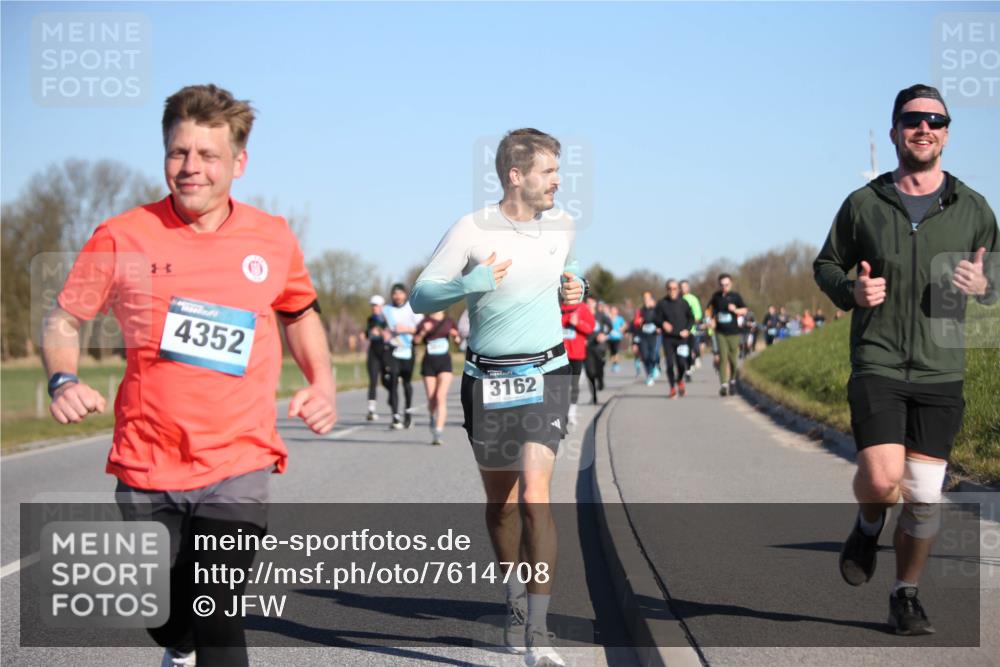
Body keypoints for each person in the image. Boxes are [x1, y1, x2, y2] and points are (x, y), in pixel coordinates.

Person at [42, 84, 337, 667]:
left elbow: (300, 311)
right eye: (179, 153)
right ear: (164, 155)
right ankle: (176, 642)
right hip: (147, 460)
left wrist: (322, 382)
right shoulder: (122, 236)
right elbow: (64, 318)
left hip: (239, 461)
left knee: (219, 612)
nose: (191, 168)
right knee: (165, 616)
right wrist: (62, 379)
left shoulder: (271, 237)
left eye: (207, 155)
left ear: (238, 162)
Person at [814, 84, 998, 636]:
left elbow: (998, 276)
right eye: (913, 120)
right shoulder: (863, 203)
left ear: (946, 133)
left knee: (922, 497)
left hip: (943, 367)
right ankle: (868, 524)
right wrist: (851, 292)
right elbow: (826, 265)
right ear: (896, 131)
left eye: (935, 120)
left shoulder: (973, 208)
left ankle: (905, 595)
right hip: (879, 359)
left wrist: (986, 284)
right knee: (881, 478)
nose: (925, 128)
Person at [409, 128, 586, 667]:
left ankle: (539, 628)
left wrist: (574, 287)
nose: (559, 181)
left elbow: (559, 274)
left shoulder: (562, 225)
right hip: (487, 379)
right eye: (549, 172)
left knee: (536, 496)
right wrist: (474, 280)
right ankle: (512, 601)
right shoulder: (470, 229)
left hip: (546, 373)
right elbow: (421, 295)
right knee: (502, 505)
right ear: (516, 175)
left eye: (559, 171)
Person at [414, 310, 461, 445]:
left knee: (441, 397)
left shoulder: (449, 321)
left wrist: (455, 337)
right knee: (432, 399)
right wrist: (423, 331)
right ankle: (432, 417)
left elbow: (458, 342)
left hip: (444, 362)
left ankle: (438, 432)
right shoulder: (424, 321)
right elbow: (416, 341)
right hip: (429, 363)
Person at [384, 283, 421, 429]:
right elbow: (379, 326)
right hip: (393, 350)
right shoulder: (386, 310)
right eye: (394, 293)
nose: (397, 296)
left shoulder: (412, 309)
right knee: (392, 380)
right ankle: (395, 416)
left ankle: (408, 413)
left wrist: (405, 329)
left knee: (406, 383)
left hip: (408, 349)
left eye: (400, 293)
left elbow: (420, 329)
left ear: (405, 295)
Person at [707, 273, 748, 396]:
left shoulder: (735, 296)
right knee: (723, 358)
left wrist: (735, 310)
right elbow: (709, 310)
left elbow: (745, 310)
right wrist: (710, 320)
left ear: (731, 284)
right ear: (719, 285)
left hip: (734, 333)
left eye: (726, 284)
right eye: (722, 285)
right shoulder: (716, 297)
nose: (724, 287)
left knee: (733, 360)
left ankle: (733, 380)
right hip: (720, 332)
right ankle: (723, 385)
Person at [654, 279, 695, 398]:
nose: (672, 291)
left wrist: (687, 330)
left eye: (674, 289)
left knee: (682, 363)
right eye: (669, 289)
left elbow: (691, 318)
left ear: (678, 290)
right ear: (666, 290)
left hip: (681, 338)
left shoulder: (683, 303)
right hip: (668, 339)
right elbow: (656, 319)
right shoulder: (662, 303)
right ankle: (672, 388)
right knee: (670, 364)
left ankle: (680, 380)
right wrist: (663, 324)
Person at [562, 292, 594, 426]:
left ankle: (572, 412)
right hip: (560, 354)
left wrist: (578, 323)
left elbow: (590, 328)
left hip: (576, 353)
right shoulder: (558, 306)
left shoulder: (583, 308)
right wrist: (565, 320)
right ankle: (561, 413)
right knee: (560, 385)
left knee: (574, 384)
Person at [364, 294, 389, 420]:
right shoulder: (370, 319)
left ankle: (393, 401)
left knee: (386, 380)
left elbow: (390, 334)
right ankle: (371, 410)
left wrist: (382, 332)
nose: (374, 308)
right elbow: (367, 334)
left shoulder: (387, 319)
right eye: (372, 306)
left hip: (385, 352)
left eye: (376, 306)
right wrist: (366, 334)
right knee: (373, 380)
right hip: (373, 351)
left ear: (382, 307)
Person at [583, 297, 612, 404]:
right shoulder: (583, 314)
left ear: (595, 303)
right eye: (588, 303)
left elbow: (610, 326)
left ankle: (600, 380)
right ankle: (594, 395)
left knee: (599, 368)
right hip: (587, 347)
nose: (590, 304)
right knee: (589, 372)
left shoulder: (600, 315)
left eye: (592, 302)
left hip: (599, 346)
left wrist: (604, 334)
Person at [633, 292, 659, 386]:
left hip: (653, 335)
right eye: (645, 298)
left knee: (653, 355)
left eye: (648, 299)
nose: (646, 300)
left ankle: (653, 368)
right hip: (643, 335)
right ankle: (649, 375)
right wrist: (639, 322)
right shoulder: (640, 310)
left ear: (652, 300)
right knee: (645, 355)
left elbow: (661, 320)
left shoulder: (656, 310)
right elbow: (635, 323)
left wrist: (658, 327)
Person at [679, 279, 703, 375]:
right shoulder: (677, 299)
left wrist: (691, 323)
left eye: (685, 287)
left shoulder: (693, 299)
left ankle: (694, 359)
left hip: (691, 329)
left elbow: (697, 315)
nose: (683, 289)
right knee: (682, 350)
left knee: (693, 349)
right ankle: (687, 369)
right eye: (681, 287)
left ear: (688, 288)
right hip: (680, 330)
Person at [607, 305, 626, 373]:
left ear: (617, 311)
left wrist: (621, 329)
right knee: (612, 352)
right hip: (610, 337)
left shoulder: (619, 318)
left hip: (617, 337)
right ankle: (614, 364)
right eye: (612, 310)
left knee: (616, 350)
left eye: (614, 310)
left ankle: (616, 364)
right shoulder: (608, 318)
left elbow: (624, 325)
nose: (613, 311)